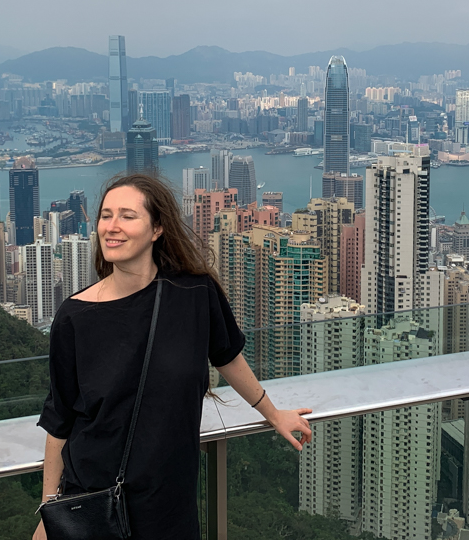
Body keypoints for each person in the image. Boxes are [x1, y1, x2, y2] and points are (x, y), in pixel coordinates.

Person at [33, 173, 312, 540]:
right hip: (92, 503)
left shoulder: (194, 293)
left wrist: (272, 413)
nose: (112, 227)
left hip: (169, 505)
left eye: (127, 216)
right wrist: (51, 513)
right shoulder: (74, 316)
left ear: (157, 228)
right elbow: (61, 420)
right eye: (105, 215)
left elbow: (227, 356)